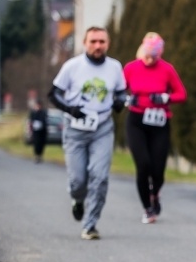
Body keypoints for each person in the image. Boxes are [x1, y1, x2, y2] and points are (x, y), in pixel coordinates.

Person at [48, 26, 127, 240]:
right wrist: (70, 109)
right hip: (75, 128)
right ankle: (77, 199)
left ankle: (90, 225)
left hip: (102, 127)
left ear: (107, 44)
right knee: (78, 180)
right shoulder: (72, 66)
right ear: (85, 43)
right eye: (93, 41)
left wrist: (120, 101)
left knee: (100, 177)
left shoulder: (114, 67)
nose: (98, 46)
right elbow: (53, 94)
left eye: (102, 41)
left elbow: (121, 91)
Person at [123, 32, 187, 224]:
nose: (150, 59)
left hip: (159, 122)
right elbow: (117, 91)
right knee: (143, 165)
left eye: (154, 56)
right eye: (147, 55)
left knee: (158, 169)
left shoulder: (167, 69)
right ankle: (147, 209)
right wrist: (127, 99)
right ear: (142, 51)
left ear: (160, 54)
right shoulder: (131, 68)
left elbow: (181, 94)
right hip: (136, 121)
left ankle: (155, 193)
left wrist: (165, 98)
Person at [29, 98, 48, 163]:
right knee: (36, 143)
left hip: (42, 131)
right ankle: (36, 155)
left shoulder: (43, 112)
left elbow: (45, 121)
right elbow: (31, 121)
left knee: (41, 144)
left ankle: (40, 155)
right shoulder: (33, 112)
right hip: (36, 131)